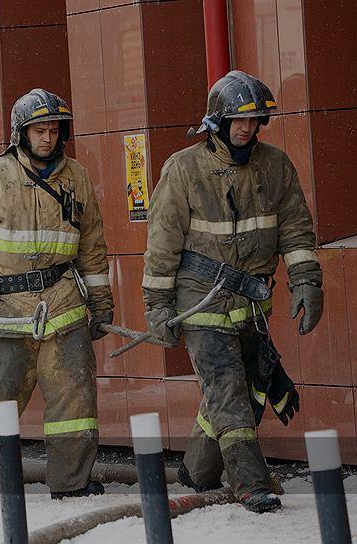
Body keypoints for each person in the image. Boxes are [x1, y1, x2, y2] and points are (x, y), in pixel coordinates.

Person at [143, 70, 323, 513]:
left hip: (251, 302)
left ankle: (197, 472)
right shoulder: (183, 169)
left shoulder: (276, 165)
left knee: (247, 383)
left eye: (255, 119)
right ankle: (251, 484)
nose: (247, 127)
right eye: (238, 119)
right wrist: (157, 306)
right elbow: (162, 244)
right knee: (227, 387)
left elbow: (296, 231)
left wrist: (306, 281)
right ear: (217, 121)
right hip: (199, 298)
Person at [0, 89, 113, 498]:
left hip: (64, 304)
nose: (47, 138)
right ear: (21, 133)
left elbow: (92, 246)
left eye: (54, 130)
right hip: (9, 308)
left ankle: (70, 481)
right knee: (1, 393)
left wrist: (101, 302)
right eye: (39, 130)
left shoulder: (77, 178)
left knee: (74, 396)